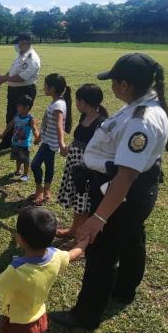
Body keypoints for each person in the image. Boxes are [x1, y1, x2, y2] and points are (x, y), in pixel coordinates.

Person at [49, 53, 168, 330]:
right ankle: (124, 289)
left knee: (101, 252)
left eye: (113, 82)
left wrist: (99, 218)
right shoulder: (139, 105)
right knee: (131, 238)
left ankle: (85, 314)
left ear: (125, 84)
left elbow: (125, 174)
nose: (111, 88)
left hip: (121, 193)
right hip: (128, 192)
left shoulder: (143, 119)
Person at [56, 84, 108, 241]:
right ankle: (74, 229)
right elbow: (79, 138)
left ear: (83, 102)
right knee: (77, 201)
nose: (76, 104)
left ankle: (81, 239)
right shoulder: (84, 116)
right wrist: (68, 148)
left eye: (77, 100)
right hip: (75, 163)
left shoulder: (101, 123)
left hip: (87, 168)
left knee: (83, 202)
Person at [0, 33, 41, 150]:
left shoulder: (32, 58)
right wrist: (0, 82)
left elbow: (21, 77)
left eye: (19, 43)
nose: (17, 45)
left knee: (20, 117)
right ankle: (8, 141)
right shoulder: (21, 55)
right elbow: (12, 72)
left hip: (24, 90)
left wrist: (3, 78)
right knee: (10, 115)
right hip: (14, 90)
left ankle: (20, 142)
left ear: (26, 43)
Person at [30, 74, 72, 205]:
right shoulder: (58, 102)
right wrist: (39, 138)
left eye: (45, 85)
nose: (44, 88)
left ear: (52, 88)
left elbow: (59, 125)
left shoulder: (58, 105)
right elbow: (48, 124)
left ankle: (40, 191)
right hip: (48, 140)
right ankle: (47, 191)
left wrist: (62, 144)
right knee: (49, 165)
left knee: (35, 164)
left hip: (51, 143)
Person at [0, 94, 39, 182]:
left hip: (25, 144)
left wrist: (37, 138)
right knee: (17, 158)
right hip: (15, 142)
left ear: (26, 107)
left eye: (19, 106)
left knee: (25, 160)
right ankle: (18, 170)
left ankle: (25, 174)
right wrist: (3, 134)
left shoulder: (30, 119)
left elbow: (34, 129)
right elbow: (10, 125)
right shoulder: (17, 115)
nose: (17, 107)